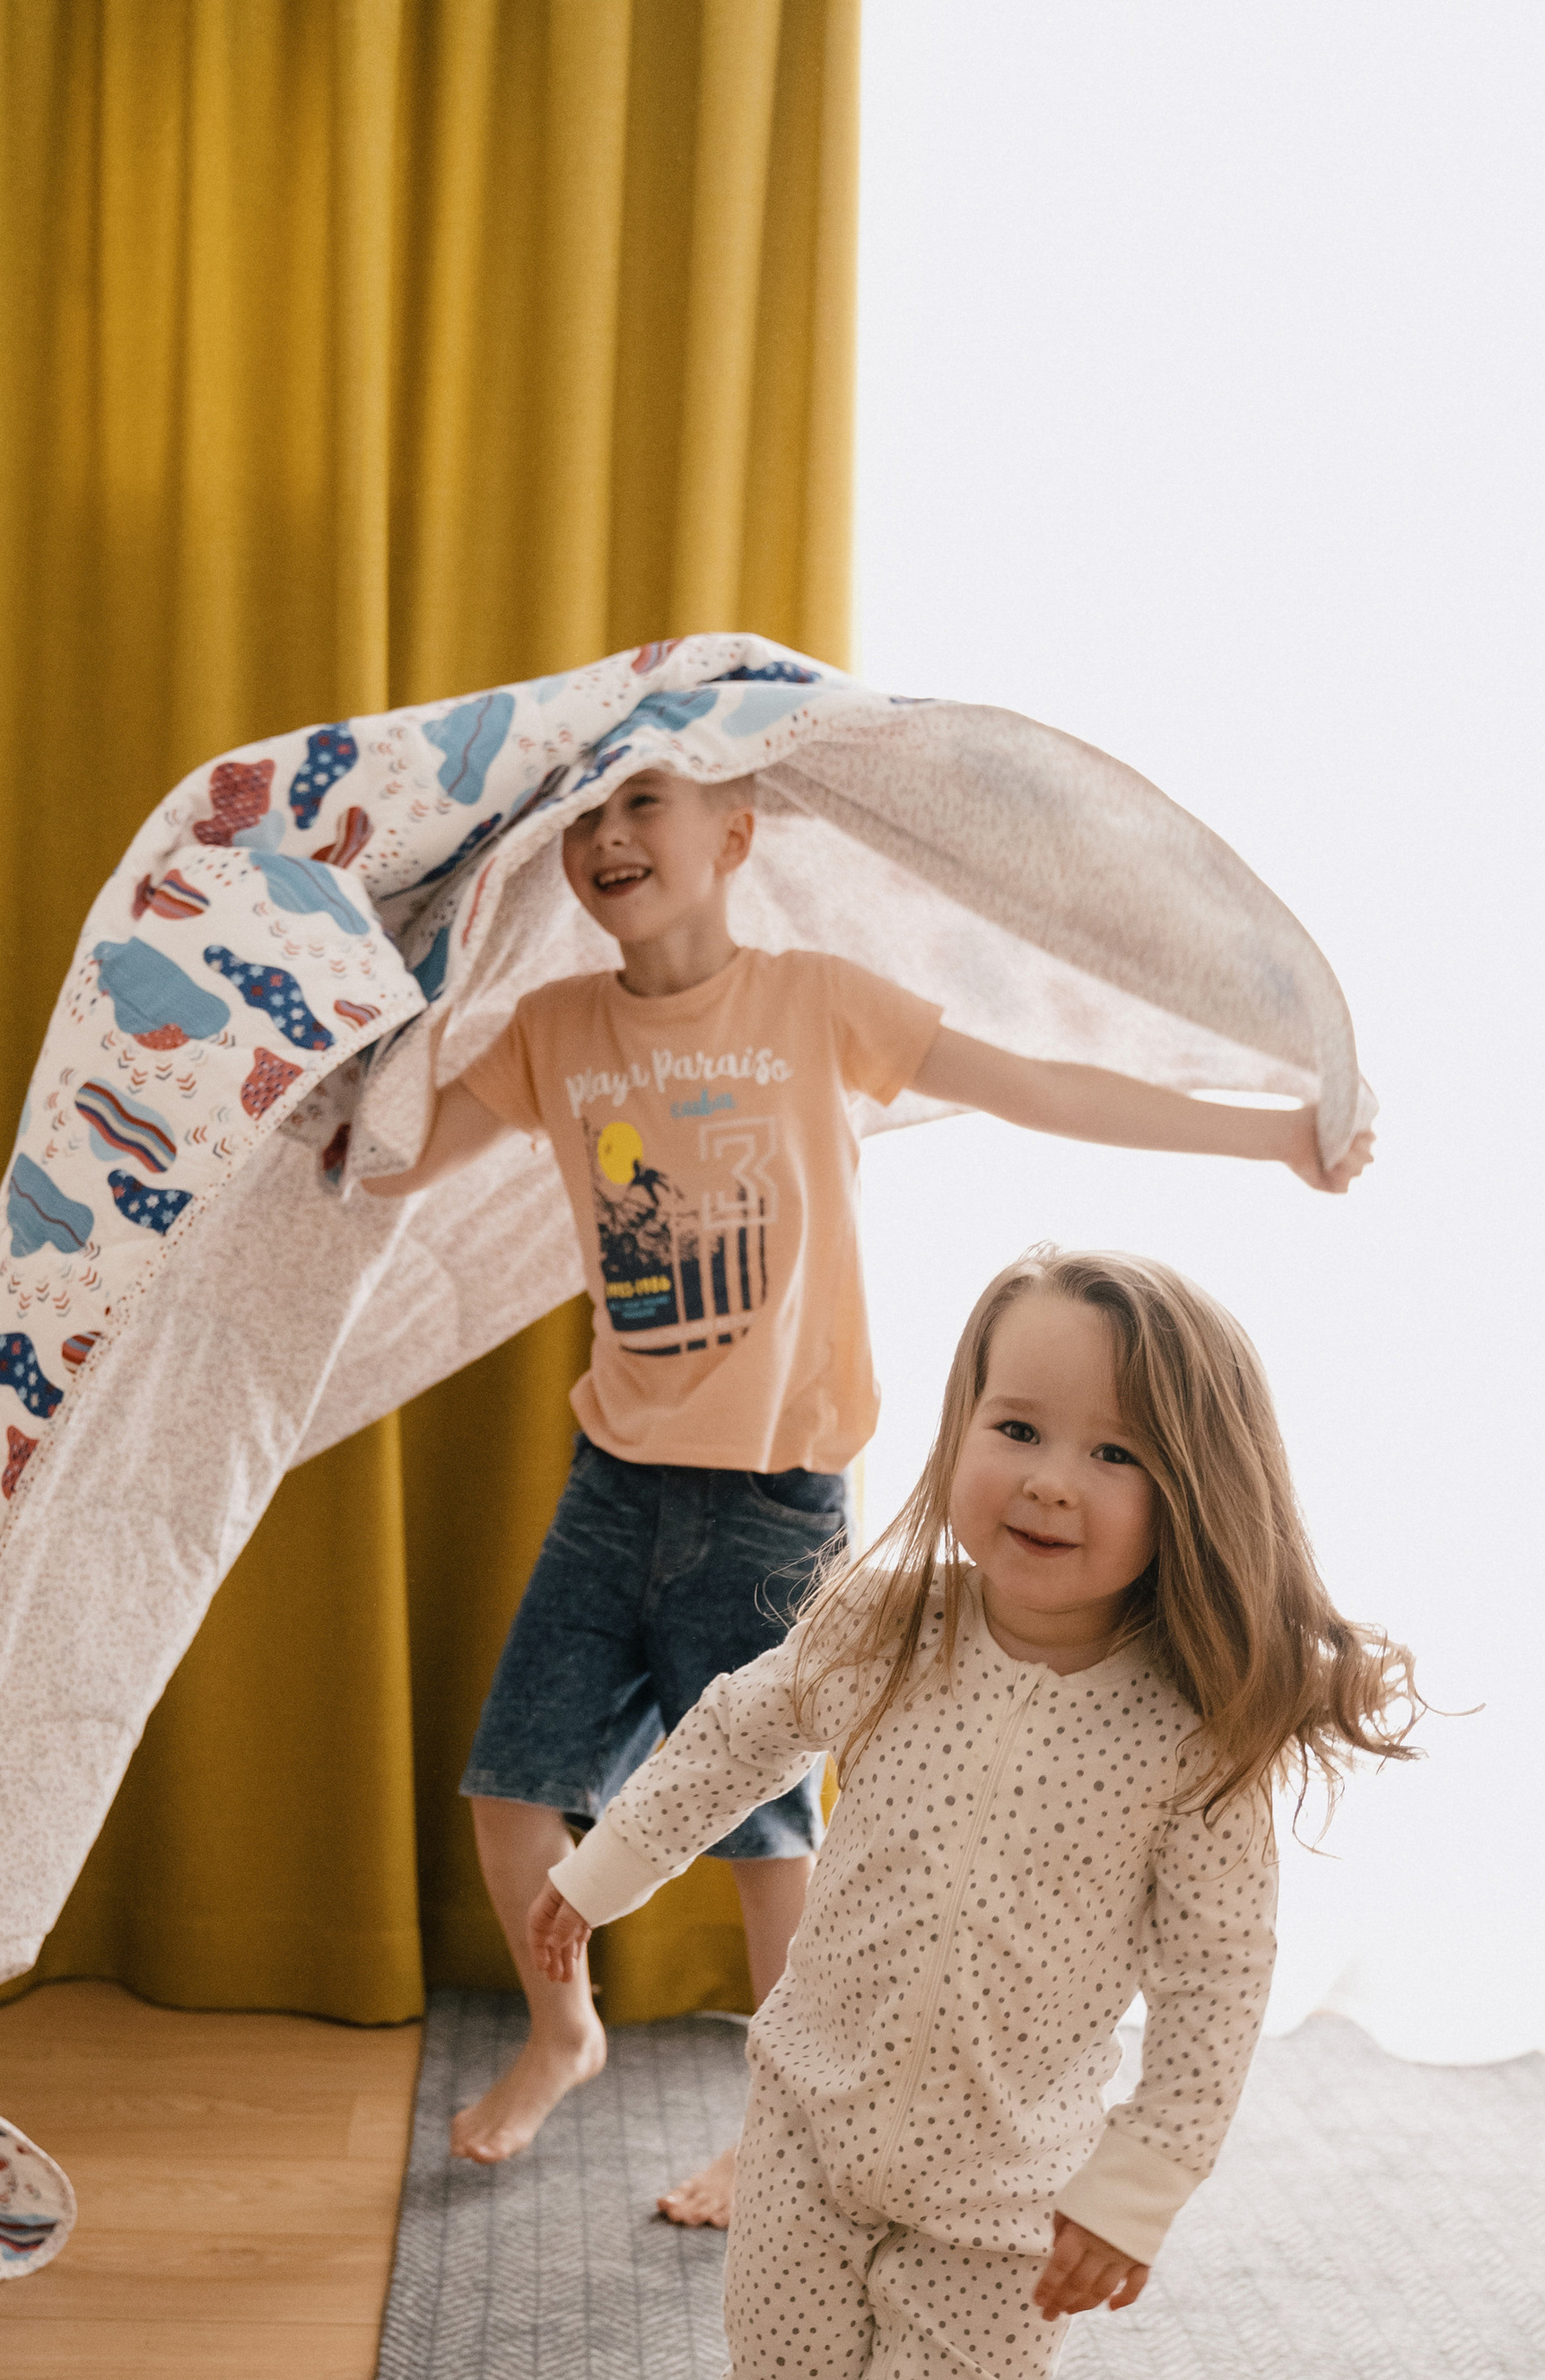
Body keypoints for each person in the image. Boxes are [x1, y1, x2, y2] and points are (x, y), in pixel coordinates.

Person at [367, 765, 1373, 2225]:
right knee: (514, 1793)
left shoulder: (809, 1004)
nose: (608, 837)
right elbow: (386, 1166)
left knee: (770, 1842)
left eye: (644, 802)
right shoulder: (556, 1033)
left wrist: (1273, 1132)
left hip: (775, 1496)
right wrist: (319, 1030)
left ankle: (772, 2130)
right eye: (582, 819)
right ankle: (559, 2033)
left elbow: (1034, 1088)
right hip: (614, 1484)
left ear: (735, 835)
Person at [527, 1249, 1419, 2380]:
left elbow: (1221, 1980)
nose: (1053, 1482)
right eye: (1018, 1425)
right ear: (956, 1433)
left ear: (1196, 1489)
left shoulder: (1196, 1730)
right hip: (810, 2119)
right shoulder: (888, 1626)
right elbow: (735, 1733)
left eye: (1118, 1451)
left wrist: (1136, 2191)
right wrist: (593, 1881)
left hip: (1012, 2191)